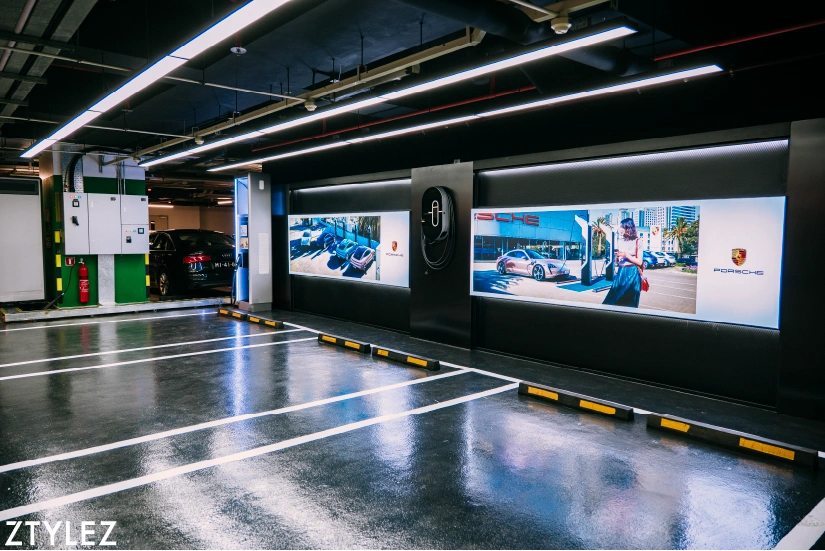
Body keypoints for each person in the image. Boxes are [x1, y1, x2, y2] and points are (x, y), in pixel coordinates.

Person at [602, 218, 643, 307]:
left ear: (628, 228)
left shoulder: (638, 241)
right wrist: (617, 257)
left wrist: (626, 255)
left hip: (632, 272)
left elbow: (639, 262)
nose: (620, 229)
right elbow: (618, 261)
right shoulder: (620, 241)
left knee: (629, 301)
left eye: (622, 227)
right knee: (613, 298)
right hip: (621, 272)